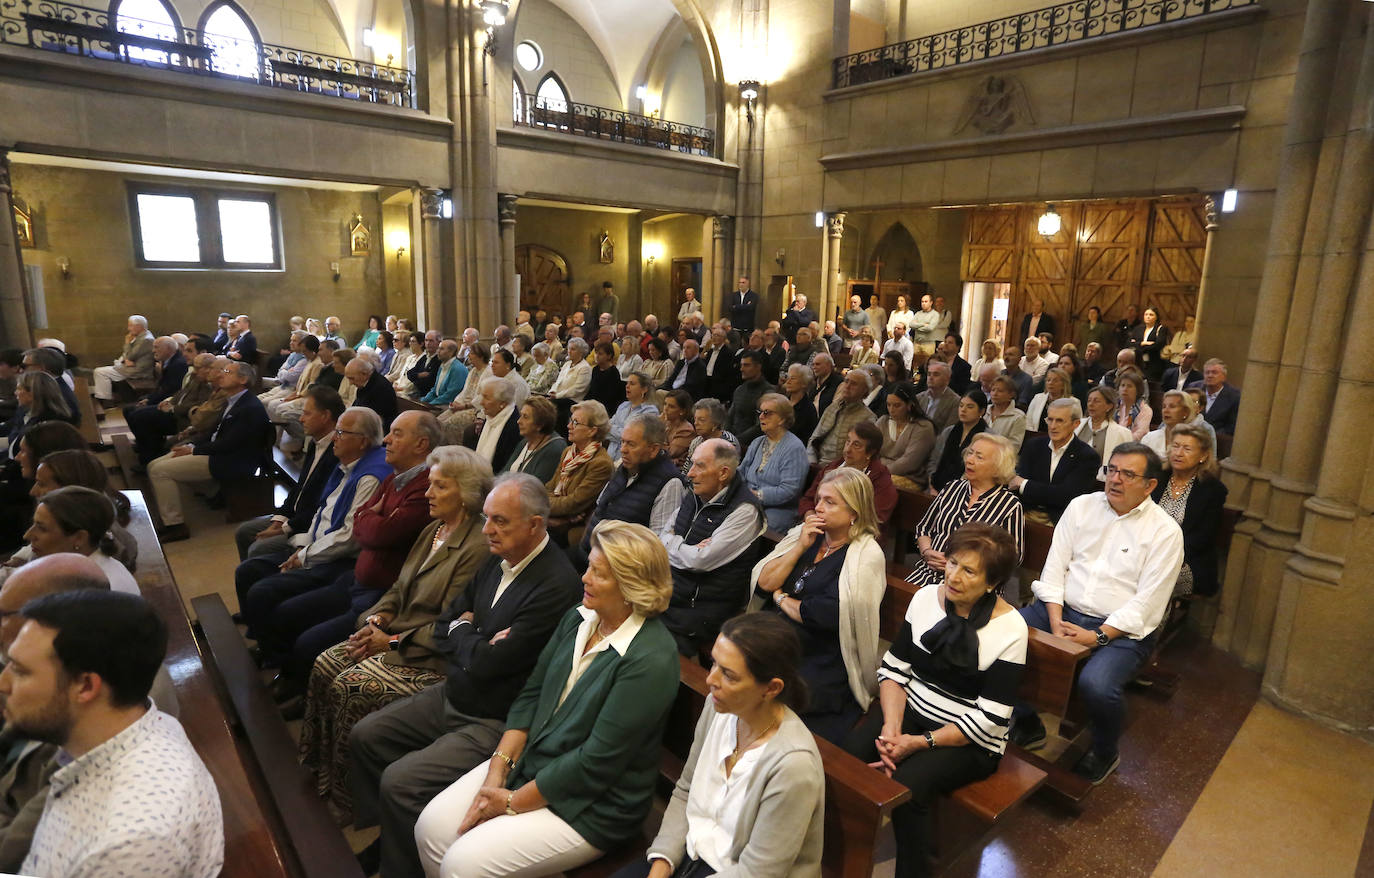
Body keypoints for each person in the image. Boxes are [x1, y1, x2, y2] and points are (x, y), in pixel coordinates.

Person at [413, 520, 679, 878]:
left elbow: (596, 762)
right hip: (534, 764)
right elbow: (532, 695)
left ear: (632, 587)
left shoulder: (652, 659)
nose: (583, 578)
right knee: (430, 828)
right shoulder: (580, 618)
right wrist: (497, 771)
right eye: (588, 567)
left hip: (594, 805)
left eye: (598, 574)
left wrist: (510, 801)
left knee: (463, 864)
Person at [348, 474, 582, 878]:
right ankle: (393, 836)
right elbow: (445, 622)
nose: (487, 529)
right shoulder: (497, 555)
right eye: (487, 518)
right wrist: (472, 635)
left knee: (400, 782)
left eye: (500, 521)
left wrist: (465, 631)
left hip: (495, 717)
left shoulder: (556, 584)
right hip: (456, 690)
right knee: (366, 736)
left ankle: (402, 868)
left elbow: (491, 663)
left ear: (535, 524)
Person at [299, 445, 493, 823]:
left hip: (431, 653)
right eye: (431, 485)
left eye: (440, 487)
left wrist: (388, 641)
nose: (429, 494)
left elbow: (450, 622)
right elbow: (398, 587)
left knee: (351, 686)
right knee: (325, 663)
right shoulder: (433, 529)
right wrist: (378, 618)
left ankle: (351, 797)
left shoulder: (477, 546)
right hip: (393, 634)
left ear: (466, 492)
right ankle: (321, 769)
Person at [845, 523, 1028, 878]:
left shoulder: (1010, 628)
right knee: (849, 754)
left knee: (910, 788)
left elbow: (990, 716)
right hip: (911, 716)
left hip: (969, 740)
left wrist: (917, 743)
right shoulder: (926, 597)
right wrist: (892, 728)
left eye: (969, 571)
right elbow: (895, 671)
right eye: (953, 562)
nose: (954, 576)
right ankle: (842, 852)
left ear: (992, 583)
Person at [4, 590, 223, 877]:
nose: (3, 683)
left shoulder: (126, 845)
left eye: (20, 671)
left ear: (85, 686)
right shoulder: (138, 723)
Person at [1009, 443, 1182, 784]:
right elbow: (1054, 569)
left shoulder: (1165, 532)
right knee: (1002, 639)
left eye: (1128, 474)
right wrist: (1056, 617)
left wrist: (1098, 635)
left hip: (1122, 630)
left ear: (1149, 486)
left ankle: (1104, 750)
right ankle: (1027, 720)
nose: (1115, 480)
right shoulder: (1082, 506)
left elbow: (1147, 604)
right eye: (1112, 470)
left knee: (1097, 685)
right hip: (1060, 609)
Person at [615, 613, 823, 878]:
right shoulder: (719, 709)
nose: (711, 680)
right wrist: (662, 863)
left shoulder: (793, 765)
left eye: (729, 675)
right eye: (713, 663)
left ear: (771, 688)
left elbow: (760, 871)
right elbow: (686, 790)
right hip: (689, 853)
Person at [268, 411, 442, 708]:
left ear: (421, 444)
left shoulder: (424, 488)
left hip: (379, 590)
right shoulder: (395, 477)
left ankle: (304, 693)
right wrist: (372, 517)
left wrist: (371, 517)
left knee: (308, 639)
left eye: (397, 433)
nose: (386, 439)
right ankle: (291, 677)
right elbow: (364, 527)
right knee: (287, 611)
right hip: (358, 578)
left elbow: (377, 535)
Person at [234, 407, 390, 661]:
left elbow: (349, 537)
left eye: (341, 432)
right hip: (318, 544)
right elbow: (323, 510)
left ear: (362, 441)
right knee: (248, 570)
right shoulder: (348, 465)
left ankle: (275, 655)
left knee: (263, 589)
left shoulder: (370, 476)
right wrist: (302, 544)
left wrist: (304, 556)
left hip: (341, 561)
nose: (335, 437)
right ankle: (262, 636)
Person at [753, 467, 885, 742]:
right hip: (779, 639)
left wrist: (780, 598)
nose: (818, 508)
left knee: (776, 695)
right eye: (819, 499)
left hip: (820, 653)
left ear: (854, 513)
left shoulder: (865, 555)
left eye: (830, 502)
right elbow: (765, 582)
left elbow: (822, 615)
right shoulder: (808, 535)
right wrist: (800, 547)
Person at [659, 439, 764, 656]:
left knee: (648, 648)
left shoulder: (745, 511)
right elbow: (661, 538)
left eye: (700, 466)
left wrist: (674, 544)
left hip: (699, 611)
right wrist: (683, 547)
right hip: (669, 593)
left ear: (723, 473)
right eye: (692, 464)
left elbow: (699, 561)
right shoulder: (696, 494)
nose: (690, 473)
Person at [148, 361, 270, 542]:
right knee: (153, 464)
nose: (221, 375)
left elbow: (230, 444)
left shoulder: (249, 407)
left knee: (160, 471)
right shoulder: (233, 401)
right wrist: (191, 446)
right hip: (218, 453)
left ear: (243, 379)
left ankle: (175, 524)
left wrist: (195, 450)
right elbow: (214, 432)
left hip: (231, 460)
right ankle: (209, 493)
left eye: (228, 372)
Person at [235, 386, 343, 560]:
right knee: (243, 531)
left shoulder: (337, 452)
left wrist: (284, 527)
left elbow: (320, 505)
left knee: (258, 548)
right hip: (294, 516)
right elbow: (300, 487)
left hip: (308, 525)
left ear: (325, 416)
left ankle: (263, 580)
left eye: (307, 414)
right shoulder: (316, 443)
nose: (300, 419)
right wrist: (279, 518)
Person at [906, 433, 1024, 588]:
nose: (969, 460)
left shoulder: (1009, 505)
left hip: (973, 586)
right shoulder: (952, 488)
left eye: (979, 457)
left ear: (998, 468)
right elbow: (924, 528)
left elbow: (1013, 557)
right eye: (970, 453)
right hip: (927, 574)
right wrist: (927, 551)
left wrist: (964, 565)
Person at [580, 414, 685, 559]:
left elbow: (657, 545)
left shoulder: (670, 483)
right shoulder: (623, 467)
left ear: (653, 449)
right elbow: (599, 509)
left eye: (631, 444)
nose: (623, 449)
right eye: (622, 442)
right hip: (589, 553)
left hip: (618, 568)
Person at [1150, 423, 1228, 597]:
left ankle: (1152, 622)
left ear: (1203, 456)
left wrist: (1162, 554)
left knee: (1150, 580)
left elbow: (1202, 538)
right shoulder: (1155, 478)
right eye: (1175, 446)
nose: (1178, 453)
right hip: (1144, 550)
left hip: (1186, 560)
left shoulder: (1212, 490)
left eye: (1187, 449)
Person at [1009, 399, 1101, 524]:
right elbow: (1016, 487)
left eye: (1060, 421)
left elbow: (1066, 496)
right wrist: (1047, 491)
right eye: (1050, 419)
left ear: (1076, 424)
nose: (1052, 426)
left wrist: (1025, 484)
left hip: (1060, 520)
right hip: (1024, 513)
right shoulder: (1034, 445)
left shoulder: (1087, 456)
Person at [799, 420, 897, 520]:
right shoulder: (833, 467)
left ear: (870, 453)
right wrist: (811, 517)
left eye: (856, 445)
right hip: (819, 523)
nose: (848, 449)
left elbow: (875, 519)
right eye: (848, 441)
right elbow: (808, 499)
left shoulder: (880, 479)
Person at [741, 394, 810, 532]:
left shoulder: (794, 448)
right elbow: (741, 471)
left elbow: (789, 490)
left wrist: (757, 495)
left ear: (782, 419)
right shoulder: (757, 442)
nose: (761, 417)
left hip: (779, 510)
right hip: (748, 501)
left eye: (767, 413)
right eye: (760, 412)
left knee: (750, 527)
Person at [546, 400, 614, 537]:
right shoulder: (568, 452)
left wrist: (540, 505)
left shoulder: (600, 464)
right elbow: (549, 488)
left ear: (592, 431)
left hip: (571, 530)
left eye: (575, 423)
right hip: (554, 519)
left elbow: (574, 503)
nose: (568, 426)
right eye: (571, 421)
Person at [926, 388, 989, 493]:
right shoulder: (948, 431)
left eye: (970, 407)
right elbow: (933, 461)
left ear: (982, 411)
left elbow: (983, 473)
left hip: (966, 491)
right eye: (961, 405)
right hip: (936, 487)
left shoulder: (987, 438)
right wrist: (931, 485)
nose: (963, 410)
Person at [877, 381, 936, 491]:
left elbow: (909, 463)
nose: (891, 410)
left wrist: (879, 469)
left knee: (876, 483)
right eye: (888, 405)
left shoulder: (923, 427)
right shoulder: (883, 421)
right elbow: (871, 450)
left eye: (897, 405)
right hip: (880, 471)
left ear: (909, 405)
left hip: (910, 478)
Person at [807, 368, 875, 464]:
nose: (847, 386)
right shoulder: (832, 408)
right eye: (846, 381)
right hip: (817, 463)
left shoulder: (868, 418)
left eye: (854, 384)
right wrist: (811, 461)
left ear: (865, 391)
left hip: (842, 469)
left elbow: (860, 455)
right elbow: (814, 438)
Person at [92, 315, 156, 402]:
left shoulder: (146, 339)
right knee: (102, 370)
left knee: (100, 372)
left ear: (139, 326)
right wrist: (127, 360)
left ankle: (105, 400)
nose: (128, 328)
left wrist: (127, 342)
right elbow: (128, 356)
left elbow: (129, 356)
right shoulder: (141, 337)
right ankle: (103, 397)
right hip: (131, 367)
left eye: (130, 326)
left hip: (138, 371)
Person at [1076, 386, 1132, 482]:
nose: (1091, 404)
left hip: (1101, 483)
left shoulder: (1122, 433)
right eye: (1089, 400)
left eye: (1096, 401)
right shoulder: (1076, 425)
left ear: (1109, 406)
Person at [1143, 389, 1216, 464]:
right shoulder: (1149, 437)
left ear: (1185, 412)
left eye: (1172, 406)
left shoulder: (1195, 440)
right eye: (1164, 406)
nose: (1166, 410)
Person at [607, 372, 659, 462]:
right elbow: (605, 429)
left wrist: (611, 429)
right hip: (609, 457)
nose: (627, 386)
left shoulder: (650, 411)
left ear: (644, 389)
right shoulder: (623, 406)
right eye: (627, 383)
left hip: (629, 461)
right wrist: (616, 431)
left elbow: (632, 437)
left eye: (632, 383)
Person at [680, 398, 739, 474]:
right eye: (695, 419)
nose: (695, 423)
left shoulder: (727, 444)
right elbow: (686, 471)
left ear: (715, 423)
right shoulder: (696, 441)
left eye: (701, 420)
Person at [1191, 358, 1241, 436]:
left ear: (1224, 377)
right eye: (1207, 373)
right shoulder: (1193, 388)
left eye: (1214, 373)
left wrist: (1209, 436)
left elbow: (1231, 427)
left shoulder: (1235, 396)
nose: (1210, 375)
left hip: (1217, 439)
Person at [346, 356, 397, 430]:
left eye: (352, 378)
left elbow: (373, 419)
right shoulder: (365, 383)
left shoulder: (381, 388)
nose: (350, 383)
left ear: (364, 374)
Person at [913, 360, 960, 435]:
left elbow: (948, 432)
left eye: (936, 374)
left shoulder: (955, 402)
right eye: (929, 374)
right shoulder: (919, 398)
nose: (931, 378)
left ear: (947, 379)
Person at [984, 375, 1028, 450]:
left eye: (1000, 391)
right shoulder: (984, 410)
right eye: (993, 390)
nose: (995, 393)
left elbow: (1014, 447)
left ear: (1011, 394)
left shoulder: (1018, 417)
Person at [422, 339, 470, 408]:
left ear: (451, 352)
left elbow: (451, 395)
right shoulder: (442, 366)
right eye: (438, 348)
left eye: (441, 349)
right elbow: (435, 390)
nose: (438, 351)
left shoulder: (458, 369)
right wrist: (423, 401)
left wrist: (430, 404)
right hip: (438, 402)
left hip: (449, 405)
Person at [1025, 367, 1074, 432]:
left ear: (1063, 384)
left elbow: (1075, 427)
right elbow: (1028, 422)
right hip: (1037, 437)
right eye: (1048, 380)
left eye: (1055, 380)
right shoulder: (1037, 398)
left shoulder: (1073, 402)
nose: (1050, 383)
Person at [1129, 306, 1170, 383]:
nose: (1148, 316)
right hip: (1138, 362)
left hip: (1154, 362)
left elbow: (1158, 345)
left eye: (1151, 315)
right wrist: (1143, 343)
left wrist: (1138, 345)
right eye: (1146, 314)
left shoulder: (1161, 329)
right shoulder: (1138, 328)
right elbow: (1129, 343)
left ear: (1156, 317)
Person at [782, 363, 819, 444]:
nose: (788, 381)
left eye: (793, 378)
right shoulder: (782, 402)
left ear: (804, 383)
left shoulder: (808, 409)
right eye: (787, 378)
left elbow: (805, 440)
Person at [1114, 368, 1152, 441]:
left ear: (1138, 390)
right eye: (1122, 385)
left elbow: (1140, 435)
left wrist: (1119, 440)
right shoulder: (1113, 405)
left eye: (1129, 386)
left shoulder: (1144, 409)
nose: (1125, 389)